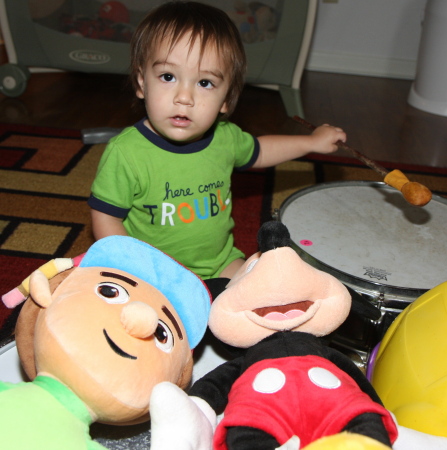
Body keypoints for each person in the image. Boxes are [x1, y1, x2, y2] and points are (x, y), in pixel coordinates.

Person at [88, 1, 346, 280]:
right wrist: (132, 267)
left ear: (226, 99)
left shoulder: (225, 138)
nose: (184, 97)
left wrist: (310, 143)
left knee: (267, 285)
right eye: (168, 76)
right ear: (142, 83)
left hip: (219, 263)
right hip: (153, 272)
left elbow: (260, 151)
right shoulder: (126, 153)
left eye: (204, 83)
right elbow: (105, 217)